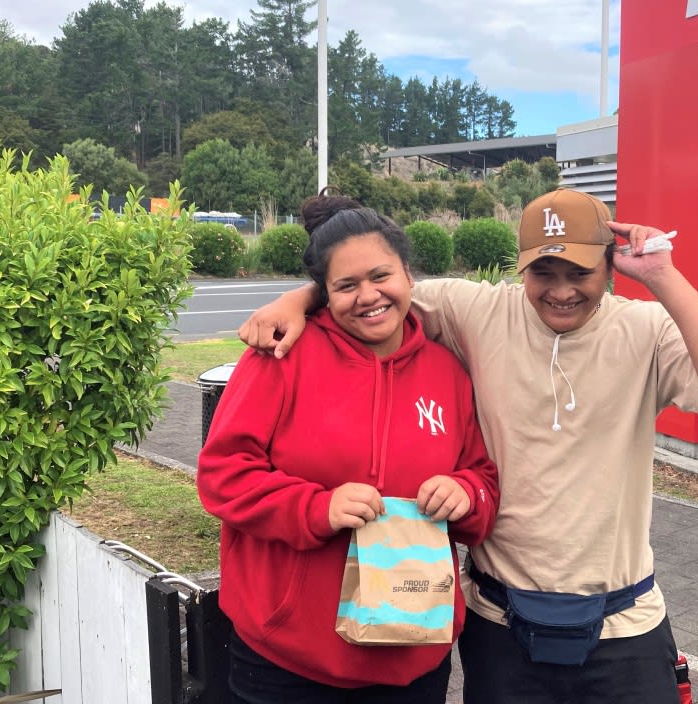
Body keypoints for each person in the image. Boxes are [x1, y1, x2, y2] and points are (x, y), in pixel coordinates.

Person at [238, 188, 698, 703]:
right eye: (543, 272)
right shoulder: (477, 310)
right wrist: (299, 296)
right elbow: (373, 291)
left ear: (611, 266)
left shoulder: (645, 329)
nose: (561, 290)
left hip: (623, 623)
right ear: (521, 267)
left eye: (579, 272)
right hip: (500, 621)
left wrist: (661, 275)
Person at [196, 191, 500, 703]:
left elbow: (483, 479)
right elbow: (222, 476)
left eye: (381, 277)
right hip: (286, 661)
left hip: (412, 657)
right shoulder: (281, 356)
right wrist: (316, 506)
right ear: (324, 293)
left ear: (407, 274)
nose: (368, 296)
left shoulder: (447, 371)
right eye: (346, 285)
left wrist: (465, 492)